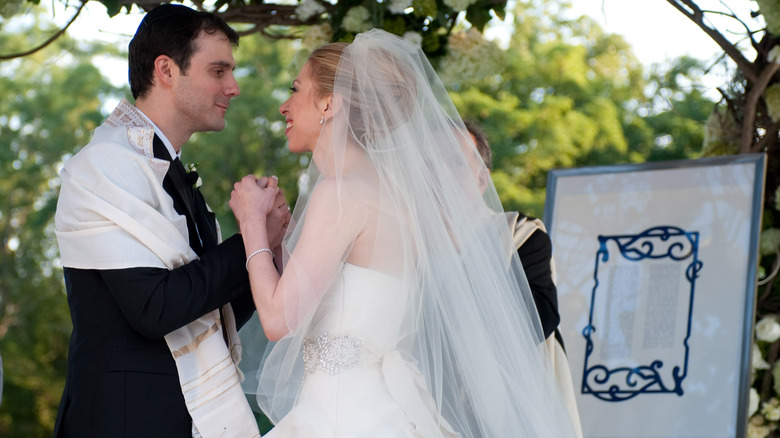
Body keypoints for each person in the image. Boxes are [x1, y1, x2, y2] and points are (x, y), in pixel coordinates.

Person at [231, 29, 578, 437]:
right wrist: (275, 242)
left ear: (329, 102)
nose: (284, 105)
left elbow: (278, 320)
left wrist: (251, 223)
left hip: (341, 416)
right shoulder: (395, 198)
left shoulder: (341, 193)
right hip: (381, 406)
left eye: (296, 89)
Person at [52, 4, 289, 437]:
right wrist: (250, 236)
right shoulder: (105, 165)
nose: (233, 87)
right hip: (123, 421)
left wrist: (266, 250)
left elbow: (213, 312)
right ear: (166, 69)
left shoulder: (170, 171)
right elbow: (155, 309)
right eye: (218, 71)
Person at [464, 119, 583, 438]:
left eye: (454, 162)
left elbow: (541, 314)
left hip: (506, 403)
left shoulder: (519, 234)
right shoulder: (406, 242)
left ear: (480, 179)